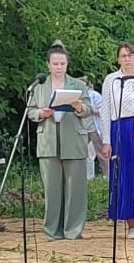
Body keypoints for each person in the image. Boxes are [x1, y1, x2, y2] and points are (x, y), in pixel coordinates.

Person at [25, 40, 95, 241]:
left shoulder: (78, 85)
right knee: (51, 189)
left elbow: (88, 109)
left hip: (73, 140)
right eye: (55, 64)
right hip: (48, 140)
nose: (59, 67)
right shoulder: (39, 86)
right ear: (48, 64)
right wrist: (41, 112)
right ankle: (52, 230)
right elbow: (30, 111)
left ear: (67, 64)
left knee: (75, 189)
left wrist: (79, 107)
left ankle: (73, 230)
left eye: (62, 64)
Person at [98, 42, 134, 239]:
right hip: (121, 129)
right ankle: (131, 224)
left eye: (130, 55)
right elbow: (105, 111)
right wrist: (106, 140)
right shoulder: (112, 80)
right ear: (118, 59)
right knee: (125, 175)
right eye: (123, 56)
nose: (127, 59)